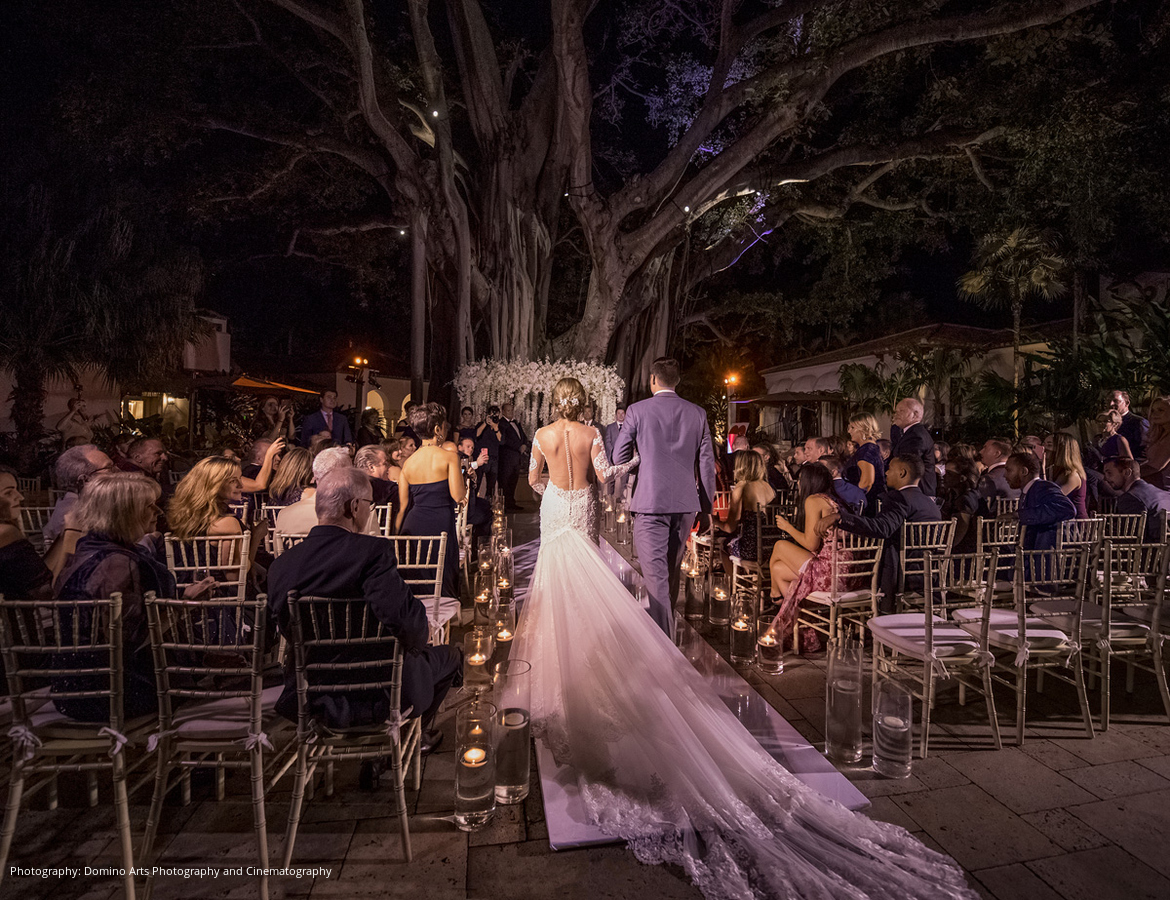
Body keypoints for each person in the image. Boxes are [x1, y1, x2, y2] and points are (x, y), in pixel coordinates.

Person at [514, 374, 976, 900]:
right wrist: (630, 467)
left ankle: (566, 681)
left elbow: (532, 481)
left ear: (553, 403)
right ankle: (621, 664)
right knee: (593, 590)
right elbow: (605, 473)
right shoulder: (593, 432)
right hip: (588, 506)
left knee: (555, 592)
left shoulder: (544, 435)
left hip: (557, 508)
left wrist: (555, 488)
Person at [266, 468, 461, 764]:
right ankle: (401, 745)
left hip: (312, 695)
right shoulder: (372, 552)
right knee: (450, 657)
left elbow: (283, 629)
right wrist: (418, 642)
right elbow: (407, 622)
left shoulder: (282, 565)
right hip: (378, 692)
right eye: (369, 504)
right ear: (354, 506)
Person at [53, 472, 215, 721]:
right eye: (148, 506)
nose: (158, 513)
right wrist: (187, 605)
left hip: (75, 687)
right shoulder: (117, 563)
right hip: (114, 693)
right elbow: (127, 642)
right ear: (123, 512)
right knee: (233, 689)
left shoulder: (85, 550)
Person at [613, 360, 715, 639]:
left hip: (650, 502)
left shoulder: (637, 411)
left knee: (657, 579)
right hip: (686, 505)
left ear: (653, 380)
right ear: (677, 381)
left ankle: (664, 649)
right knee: (669, 575)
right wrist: (707, 509)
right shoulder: (697, 413)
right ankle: (667, 637)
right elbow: (706, 464)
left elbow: (618, 457)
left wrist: (643, 458)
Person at [823, 454, 942, 613]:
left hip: (898, 577)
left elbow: (882, 527)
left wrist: (841, 518)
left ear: (902, 473)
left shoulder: (899, 498)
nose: (885, 473)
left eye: (890, 468)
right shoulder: (930, 503)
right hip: (927, 578)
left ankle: (859, 622)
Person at [762, 463, 846, 653]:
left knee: (779, 546)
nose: (798, 484)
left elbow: (811, 545)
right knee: (778, 570)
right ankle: (804, 627)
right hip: (844, 569)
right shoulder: (833, 499)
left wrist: (787, 527)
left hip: (829, 572)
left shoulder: (813, 500)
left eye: (799, 481)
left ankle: (775, 596)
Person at [396, 402, 466, 599]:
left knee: (418, 573)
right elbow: (458, 496)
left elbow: (402, 508)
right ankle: (445, 618)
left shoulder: (408, 463)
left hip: (413, 524)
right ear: (437, 429)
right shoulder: (449, 457)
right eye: (444, 426)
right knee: (442, 573)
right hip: (440, 522)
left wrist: (397, 538)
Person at [275, 447, 378, 538]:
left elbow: (278, 556)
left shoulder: (284, 515)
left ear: (315, 476)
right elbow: (377, 551)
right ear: (346, 477)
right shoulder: (362, 511)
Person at [43, 444, 114, 546]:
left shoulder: (88, 504)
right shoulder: (73, 514)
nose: (118, 472)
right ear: (84, 480)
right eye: (109, 468)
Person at [0, 466, 52, 605]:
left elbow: (33, 574)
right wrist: (70, 533)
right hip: (21, 624)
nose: (20, 497)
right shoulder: (7, 533)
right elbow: (44, 591)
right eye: (9, 493)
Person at [717, 451, 776, 574]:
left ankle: (735, 587)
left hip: (751, 547)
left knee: (724, 545)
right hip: (771, 545)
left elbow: (730, 527)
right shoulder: (769, 487)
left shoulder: (741, 487)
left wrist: (715, 521)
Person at [1007, 451, 1075, 551]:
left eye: (1008, 470)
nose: (1004, 475)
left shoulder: (1043, 487)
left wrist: (1018, 515)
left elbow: (1067, 509)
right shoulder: (1029, 490)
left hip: (1048, 554)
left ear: (1024, 472)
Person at [1105, 458, 1170, 542]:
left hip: (1150, 551)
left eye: (1109, 473)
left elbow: (1131, 538)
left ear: (1127, 472)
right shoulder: (1162, 493)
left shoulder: (1130, 498)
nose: (1105, 479)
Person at [890, 398, 936, 496]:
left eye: (901, 411)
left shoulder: (916, 435)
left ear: (915, 414)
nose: (896, 414)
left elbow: (907, 465)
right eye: (896, 411)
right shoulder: (910, 433)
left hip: (916, 494)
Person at [844, 413, 886, 514]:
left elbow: (867, 482)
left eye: (852, 427)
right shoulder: (870, 448)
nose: (849, 431)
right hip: (872, 501)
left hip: (867, 506)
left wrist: (854, 500)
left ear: (864, 429)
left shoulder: (866, 451)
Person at [939, 456, 981, 553]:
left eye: (949, 474)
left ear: (962, 478)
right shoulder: (959, 495)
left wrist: (944, 550)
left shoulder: (965, 499)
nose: (944, 476)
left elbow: (959, 532)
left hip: (964, 553)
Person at [497, 401, 529, 512]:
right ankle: (504, 505)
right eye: (508, 410)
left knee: (513, 481)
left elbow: (523, 436)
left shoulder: (516, 423)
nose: (511, 413)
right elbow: (504, 440)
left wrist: (524, 444)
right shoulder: (501, 424)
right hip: (507, 458)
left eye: (512, 410)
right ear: (503, 411)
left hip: (516, 458)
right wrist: (518, 447)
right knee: (505, 482)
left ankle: (511, 503)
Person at [1049, 433, 1088, 519]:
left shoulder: (1073, 475)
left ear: (1061, 450)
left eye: (1049, 445)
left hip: (1076, 526)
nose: (1044, 448)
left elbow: (1051, 498)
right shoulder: (1057, 471)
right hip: (1063, 523)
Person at [976, 438, 1017, 516]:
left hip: (994, 524)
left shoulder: (989, 479)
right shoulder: (1019, 474)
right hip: (1019, 525)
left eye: (985, 448)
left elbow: (980, 509)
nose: (980, 451)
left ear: (997, 454)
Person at [1140, 397, 1170, 489]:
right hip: (1153, 484)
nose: (1154, 414)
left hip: (1162, 490)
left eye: (1160, 410)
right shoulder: (1161, 434)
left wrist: (1127, 474)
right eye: (1152, 410)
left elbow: (1155, 466)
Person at [1109, 390, 1149, 459]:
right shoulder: (1107, 423)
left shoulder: (1138, 422)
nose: (1111, 404)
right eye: (1108, 401)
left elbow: (1144, 452)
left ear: (1127, 403)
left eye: (1116, 401)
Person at [475, 405, 503, 499]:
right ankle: (474, 503)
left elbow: (502, 441)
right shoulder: (482, 425)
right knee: (477, 482)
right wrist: (485, 423)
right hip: (482, 457)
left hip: (494, 458)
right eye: (491, 416)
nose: (493, 418)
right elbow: (476, 434)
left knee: (491, 485)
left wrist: (496, 427)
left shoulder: (500, 427)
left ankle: (489, 504)